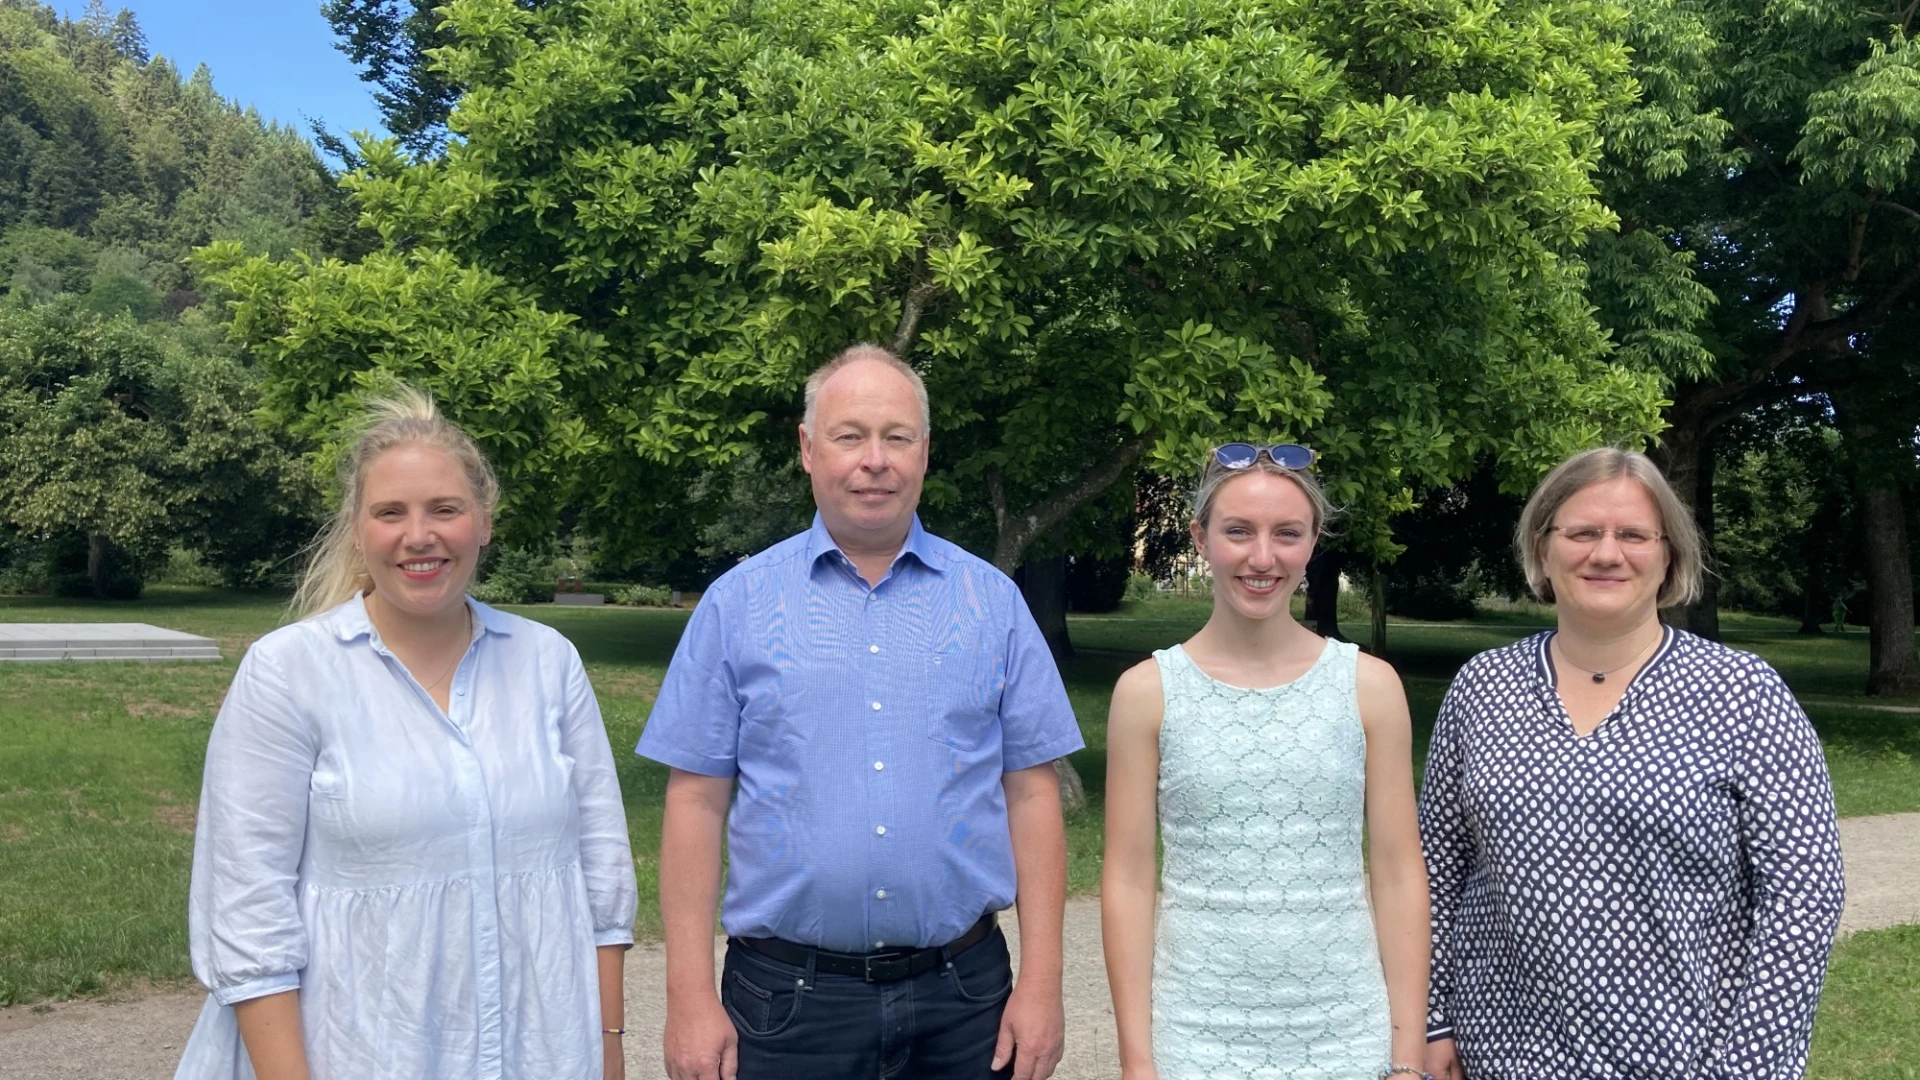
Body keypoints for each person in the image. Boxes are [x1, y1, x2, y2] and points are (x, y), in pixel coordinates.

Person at [639, 344, 1084, 1080]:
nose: (874, 459)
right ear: (808, 449)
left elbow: (1032, 794)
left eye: (897, 437)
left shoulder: (992, 605)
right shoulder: (738, 605)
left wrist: (1043, 984)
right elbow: (695, 802)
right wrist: (687, 995)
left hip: (965, 1000)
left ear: (925, 453)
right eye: (850, 436)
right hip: (786, 1004)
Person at [174, 389, 638, 1080]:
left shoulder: (548, 663)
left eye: (444, 509)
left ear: (483, 521)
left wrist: (608, 1051)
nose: (418, 535)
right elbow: (247, 911)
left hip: (537, 1050)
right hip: (355, 1052)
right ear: (358, 530)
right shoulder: (290, 673)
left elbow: (602, 887)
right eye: (390, 512)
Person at [1420, 447, 1847, 1080]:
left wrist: (1748, 1066)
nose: (1606, 553)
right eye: (1583, 532)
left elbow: (1804, 897)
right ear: (1543, 548)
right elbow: (1438, 869)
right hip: (1494, 1052)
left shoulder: (1744, 694)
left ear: (1669, 553)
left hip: (1683, 1057)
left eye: (1633, 535)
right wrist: (1435, 1022)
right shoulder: (1484, 687)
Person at [1101, 443, 1432, 1080]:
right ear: (1200, 538)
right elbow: (1128, 880)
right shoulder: (1146, 693)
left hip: (1346, 1035)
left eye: (1287, 533)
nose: (1262, 558)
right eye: (1238, 532)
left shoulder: (1371, 687)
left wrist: (1406, 1057)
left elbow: (1396, 874)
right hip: (1195, 1037)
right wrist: (1137, 1061)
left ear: (1313, 542)